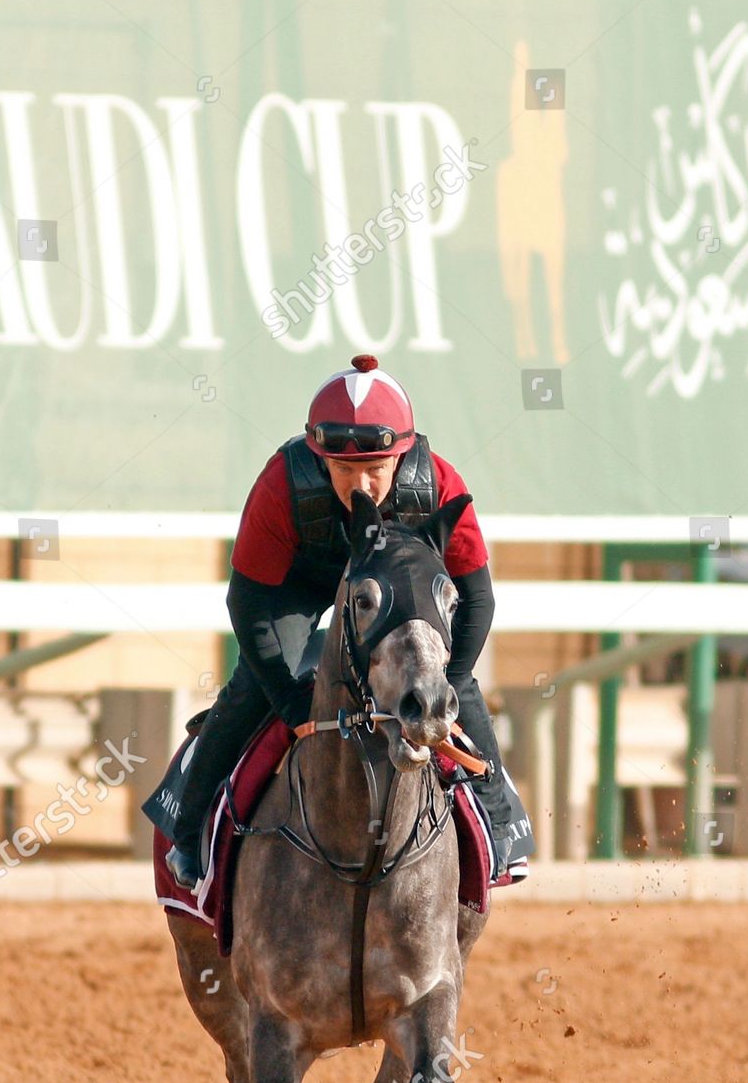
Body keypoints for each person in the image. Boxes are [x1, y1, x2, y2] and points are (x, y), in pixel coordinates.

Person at [165, 353, 514, 888]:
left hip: (398, 581)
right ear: (317, 455)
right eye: (343, 470)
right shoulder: (281, 484)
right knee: (251, 687)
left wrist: (454, 674)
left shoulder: (439, 481)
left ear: (403, 454)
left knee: (451, 684)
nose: (361, 487)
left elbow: (478, 599)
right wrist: (288, 699)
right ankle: (188, 837)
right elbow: (247, 604)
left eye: (376, 469)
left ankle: (502, 828)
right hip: (299, 579)